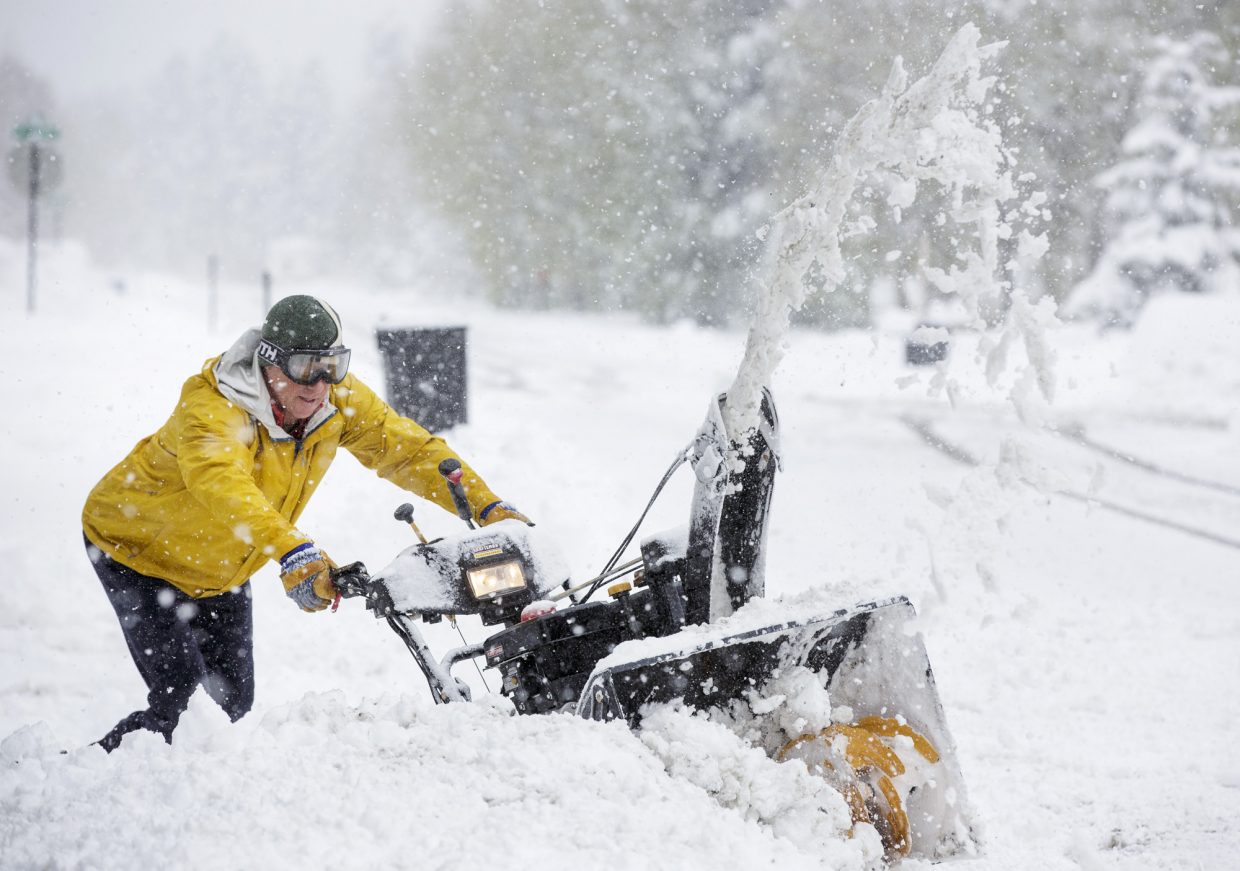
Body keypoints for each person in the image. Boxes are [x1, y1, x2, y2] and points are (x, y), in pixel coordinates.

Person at [82, 295, 530, 751]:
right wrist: (296, 552)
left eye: (332, 366)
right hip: (135, 551)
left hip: (221, 565)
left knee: (228, 707)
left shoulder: (336, 400)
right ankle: (78, 776)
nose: (319, 383)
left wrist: (486, 505)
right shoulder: (214, 409)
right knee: (184, 706)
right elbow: (221, 484)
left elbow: (407, 449)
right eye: (304, 366)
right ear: (269, 361)